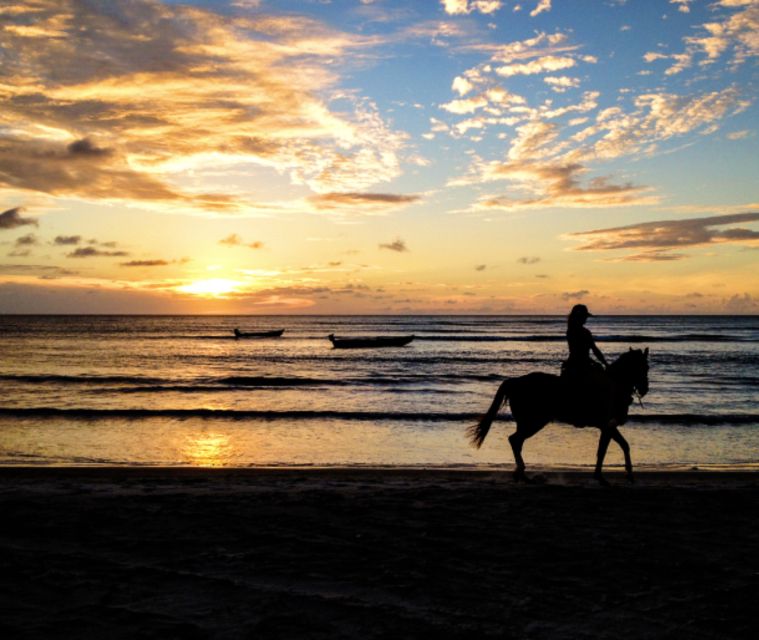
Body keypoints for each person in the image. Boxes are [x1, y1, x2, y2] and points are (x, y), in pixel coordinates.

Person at [561, 304, 610, 426]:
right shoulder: (573, 331)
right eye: (583, 317)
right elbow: (577, 351)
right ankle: (580, 414)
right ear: (578, 317)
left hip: (584, 362)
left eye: (585, 317)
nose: (585, 319)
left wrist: (604, 363)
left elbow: (594, 349)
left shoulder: (584, 331)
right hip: (576, 364)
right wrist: (597, 362)